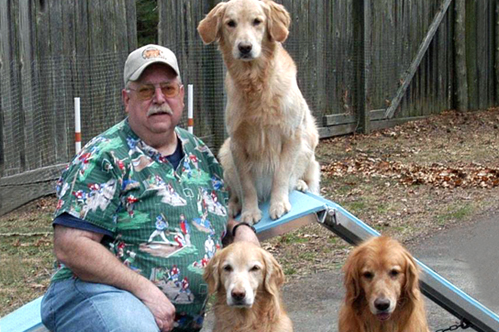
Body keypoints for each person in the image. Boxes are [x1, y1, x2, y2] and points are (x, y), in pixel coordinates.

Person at [40, 44, 259, 332]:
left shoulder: (200, 154)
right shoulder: (104, 156)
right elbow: (70, 245)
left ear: (180, 94)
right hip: (97, 294)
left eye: (168, 89)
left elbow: (213, 217)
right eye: (145, 91)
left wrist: (239, 230)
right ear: (126, 99)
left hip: (170, 320)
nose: (158, 99)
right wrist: (144, 290)